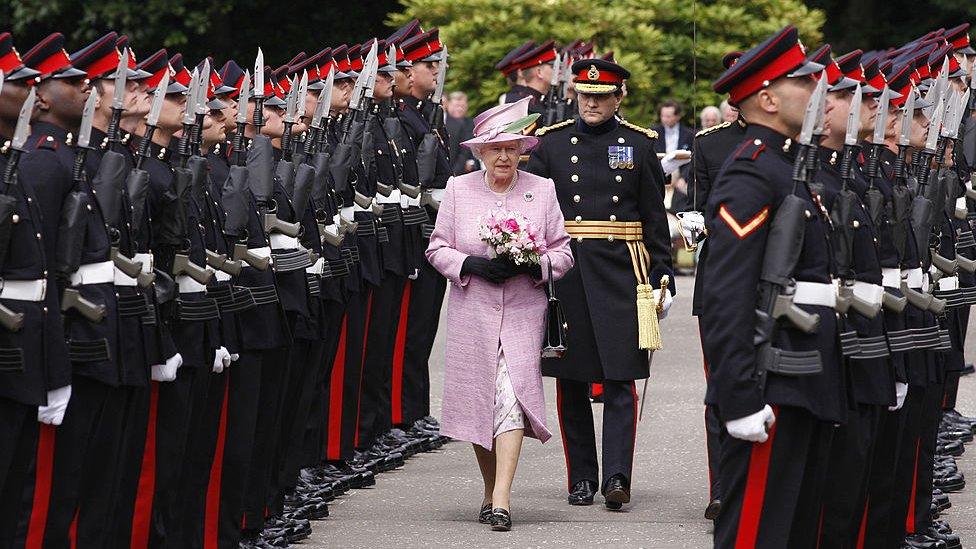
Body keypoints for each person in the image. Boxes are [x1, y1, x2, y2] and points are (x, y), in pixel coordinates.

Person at [701, 25, 846, 547]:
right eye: (804, 85)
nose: (818, 92)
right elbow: (727, 295)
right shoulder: (753, 174)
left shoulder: (790, 169)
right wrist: (738, 400)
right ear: (766, 98)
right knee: (758, 535)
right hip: (771, 387)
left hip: (805, 380)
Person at [526, 58, 674, 511]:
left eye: (602, 96)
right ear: (575, 94)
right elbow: (535, 210)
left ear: (619, 97)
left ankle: (616, 477)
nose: (592, 103)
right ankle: (581, 478)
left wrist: (662, 275)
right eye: (585, 95)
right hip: (568, 271)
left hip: (622, 269)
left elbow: (653, 216)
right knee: (571, 378)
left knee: (619, 378)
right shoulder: (550, 145)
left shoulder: (639, 144)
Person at [426, 97, 572, 531]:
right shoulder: (458, 189)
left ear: (523, 149)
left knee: (511, 402)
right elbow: (436, 248)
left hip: (524, 311)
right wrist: (469, 265)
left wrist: (536, 263)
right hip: (474, 314)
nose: (505, 155)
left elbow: (563, 252)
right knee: (481, 407)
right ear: (480, 152)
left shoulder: (541, 189)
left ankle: (504, 499)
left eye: (512, 147)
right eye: (496, 148)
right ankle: (490, 490)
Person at [445, 91, 477, 173]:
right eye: (456, 106)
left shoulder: (472, 124)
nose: (459, 108)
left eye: (462, 106)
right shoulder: (442, 123)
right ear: (448, 105)